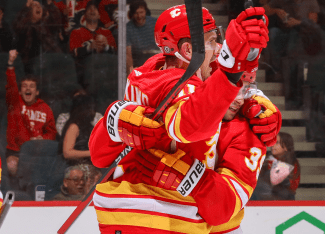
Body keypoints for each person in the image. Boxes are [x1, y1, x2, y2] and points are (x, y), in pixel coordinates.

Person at [89, 5, 277, 233]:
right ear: (188, 51)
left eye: (247, 87)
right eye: (211, 42)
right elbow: (100, 156)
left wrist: (193, 179)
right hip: (138, 212)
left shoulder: (253, 125)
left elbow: (224, 208)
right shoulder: (161, 75)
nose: (238, 96)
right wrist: (115, 118)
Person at [5, 50, 57, 179]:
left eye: (31, 86)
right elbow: (11, 86)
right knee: (11, 165)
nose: (28, 89)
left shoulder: (45, 108)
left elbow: (51, 133)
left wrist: (43, 139)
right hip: (16, 152)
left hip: (38, 153)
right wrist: (10, 64)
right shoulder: (15, 103)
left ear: (37, 91)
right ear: (20, 91)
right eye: (24, 86)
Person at [69, 1, 117, 87]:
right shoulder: (76, 32)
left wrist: (105, 46)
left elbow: (116, 52)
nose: (92, 10)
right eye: (89, 9)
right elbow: (73, 53)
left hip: (107, 69)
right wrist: (90, 47)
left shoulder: (106, 32)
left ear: (99, 15)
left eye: (95, 9)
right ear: (85, 16)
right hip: (86, 70)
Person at [13, 0, 62, 73]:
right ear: (29, 12)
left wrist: (48, 5)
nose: (38, 7)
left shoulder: (46, 24)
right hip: (30, 63)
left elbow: (56, 20)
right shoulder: (25, 26)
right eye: (34, 6)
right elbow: (17, 25)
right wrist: (26, 7)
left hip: (50, 59)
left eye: (40, 6)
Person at [253, 132, 300, 200]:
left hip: (283, 198)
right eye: (272, 142)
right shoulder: (265, 160)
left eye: (277, 143)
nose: (273, 145)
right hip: (263, 198)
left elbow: (292, 187)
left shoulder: (292, 163)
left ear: (286, 147)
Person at [59, 94, 96, 166]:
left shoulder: (89, 126)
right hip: (74, 165)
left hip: (89, 164)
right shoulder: (74, 127)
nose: (93, 112)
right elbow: (67, 153)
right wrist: (91, 153)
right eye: (90, 109)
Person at [126, 0, 159, 72]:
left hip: (157, 59)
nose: (139, 16)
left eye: (141, 12)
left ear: (146, 12)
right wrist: (130, 71)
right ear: (132, 14)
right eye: (136, 13)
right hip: (138, 62)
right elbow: (128, 54)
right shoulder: (128, 28)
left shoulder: (155, 23)